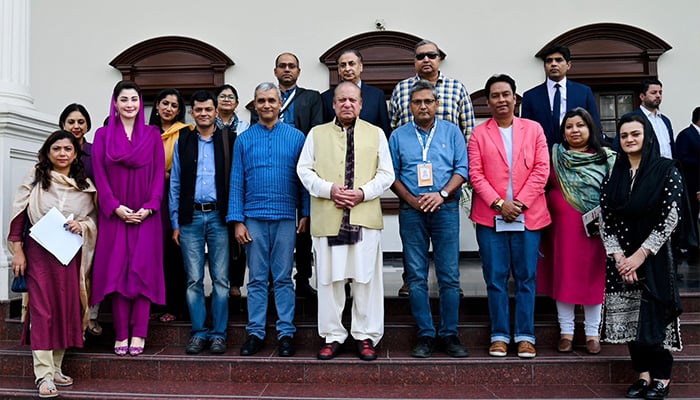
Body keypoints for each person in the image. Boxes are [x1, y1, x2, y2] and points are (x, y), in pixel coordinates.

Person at [297, 81, 394, 361]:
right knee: (329, 281)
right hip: (329, 218)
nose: (347, 104)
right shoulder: (316, 134)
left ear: (361, 104)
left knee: (366, 281)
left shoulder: (376, 134)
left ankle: (365, 335)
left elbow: (387, 174)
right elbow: (304, 170)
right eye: (342, 100)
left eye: (353, 99)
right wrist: (330, 190)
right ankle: (333, 335)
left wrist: (363, 193)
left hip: (363, 218)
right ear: (334, 104)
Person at [600, 113, 687, 400]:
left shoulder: (666, 170)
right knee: (630, 322)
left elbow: (670, 217)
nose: (629, 140)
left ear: (647, 135)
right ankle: (643, 376)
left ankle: (661, 378)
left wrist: (639, 256)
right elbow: (605, 218)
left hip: (654, 257)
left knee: (653, 319)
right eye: (624, 135)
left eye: (635, 134)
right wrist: (619, 258)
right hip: (621, 260)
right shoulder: (615, 174)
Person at [8, 130, 97, 398]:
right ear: (48, 152)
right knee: (43, 310)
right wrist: (18, 251)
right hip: (38, 254)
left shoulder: (85, 185)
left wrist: (81, 225)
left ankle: (56, 367)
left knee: (66, 308)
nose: (62, 154)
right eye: (56, 148)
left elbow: (93, 220)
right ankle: (43, 375)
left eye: (67, 149)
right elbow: (19, 217)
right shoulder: (35, 179)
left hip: (69, 255)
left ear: (75, 154)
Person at [468, 74, 550, 359]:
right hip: (491, 217)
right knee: (496, 277)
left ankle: (526, 335)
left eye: (506, 94)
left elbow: (542, 169)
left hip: (529, 216)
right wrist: (500, 203)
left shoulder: (534, 129)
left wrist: (521, 203)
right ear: (488, 101)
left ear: (515, 98)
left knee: (527, 277)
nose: (501, 100)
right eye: (495, 95)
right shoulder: (479, 134)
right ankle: (500, 334)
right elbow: (475, 174)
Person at [227, 82, 309, 357]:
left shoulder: (297, 137)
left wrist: (305, 213)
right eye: (261, 100)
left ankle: (286, 333)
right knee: (258, 279)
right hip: (254, 219)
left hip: (286, 217)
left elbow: (304, 179)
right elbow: (237, 181)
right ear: (255, 104)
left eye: (272, 100)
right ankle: (256, 332)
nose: (266, 105)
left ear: (279, 103)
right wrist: (238, 220)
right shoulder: (244, 139)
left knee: (284, 278)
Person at [389, 80, 469, 358]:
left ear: (436, 104)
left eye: (428, 101)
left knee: (449, 275)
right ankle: (425, 333)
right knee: (416, 275)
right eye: (417, 102)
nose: (423, 106)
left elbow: (462, 169)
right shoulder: (398, 135)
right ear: (409, 106)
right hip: (411, 211)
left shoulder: (452, 131)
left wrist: (442, 194)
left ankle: (450, 334)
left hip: (444, 208)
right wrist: (411, 200)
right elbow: (392, 174)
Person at [389, 39, 475, 296]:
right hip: (411, 186)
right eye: (420, 56)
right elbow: (394, 129)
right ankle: (411, 282)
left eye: (431, 55)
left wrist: (454, 185)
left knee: (446, 247)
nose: (426, 59)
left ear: (439, 59)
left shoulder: (457, 88)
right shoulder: (402, 89)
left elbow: (468, 133)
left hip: (445, 185)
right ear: (414, 61)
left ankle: (449, 285)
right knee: (413, 252)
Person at [91, 80, 166, 357]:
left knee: (143, 273)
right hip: (115, 216)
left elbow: (159, 174)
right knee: (118, 274)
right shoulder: (102, 136)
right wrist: (114, 207)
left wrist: (149, 207)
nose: (130, 105)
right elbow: (99, 174)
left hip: (146, 215)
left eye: (134, 99)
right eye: (124, 100)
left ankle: (139, 333)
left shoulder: (152, 134)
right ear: (115, 103)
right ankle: (121, 333)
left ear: (140, 102)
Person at [536, 108, 616, 354]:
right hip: (561, 229)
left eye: (580, 125)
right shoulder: (554, 156)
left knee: (594, 278)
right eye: (569, 126)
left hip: (595, 229)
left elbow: (617, 192)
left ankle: (593, 334)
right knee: (565, 277)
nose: (575, 130)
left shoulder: (606, 158)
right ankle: (566, 333)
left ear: (590, 128)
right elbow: (541, 185)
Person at [251, 52, 323, 298]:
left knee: (303, 227)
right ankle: (272, 279)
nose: (287, 70)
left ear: (299, 71)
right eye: (282, 66)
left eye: (292, 66)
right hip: (272, 168)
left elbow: (317, 131)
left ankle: (302, 278)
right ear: (275, 71)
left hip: (302, 164)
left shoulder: (311, 98)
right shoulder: (264, 97)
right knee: (272, 231)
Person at [170, 90, 232, 355]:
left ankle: (218, 334)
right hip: (190, 217)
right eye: (199, 110)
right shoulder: (182, 140)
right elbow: (175, 182)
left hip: (219, 216)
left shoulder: (229, 139)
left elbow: (237, 179)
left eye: (209, 109)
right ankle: (199, 332)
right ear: (192, 113)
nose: (204, 113)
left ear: (216, 111)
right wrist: (175, 221)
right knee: (194, 279)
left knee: (221, 279)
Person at [147, 89, 191, 323]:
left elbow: (188, 168)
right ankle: (154, 302)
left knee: (174, 252)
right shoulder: (144, 133)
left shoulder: (185, 133)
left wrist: (168, 175)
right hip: (147, 198)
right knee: (152, 252)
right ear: (156, 105)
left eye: (174, 105)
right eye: (165, 103)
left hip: (174, 197)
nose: (169, 108)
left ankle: (174, 305)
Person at [59, 103, 102, 337]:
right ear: (63, 124)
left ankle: (90, 318)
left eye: (81, 122)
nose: (76, 126)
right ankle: (69, 324)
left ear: (87, 125)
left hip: (90, 218)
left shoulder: (95, 152)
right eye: (71, 122)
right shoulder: (55, 148)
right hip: (61, 222)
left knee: (89, 269)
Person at [521, 45, 602, 149]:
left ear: (568, 65)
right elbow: (527, 132)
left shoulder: (583, 92)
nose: (553, 64)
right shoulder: (530, 96)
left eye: (558, 60)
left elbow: (595, 126)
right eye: (549, 61)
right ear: (544, 66)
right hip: (543, 155)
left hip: (577, 156)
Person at [214, 83, 250, 299]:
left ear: (237, 103)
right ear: (216, 103)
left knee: (239, 239)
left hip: (239, 187)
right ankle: (222, 281)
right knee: (220, 239)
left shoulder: (245, 127)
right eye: (222, 96)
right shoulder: (209, 126)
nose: (227, 99)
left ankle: (236, 283)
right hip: (216, 190)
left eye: (231, 96)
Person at [321, 49, 391, 135]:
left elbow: (385, 130)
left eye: (351, 64)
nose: (347, 69)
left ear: (361, 67)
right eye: (343, 65)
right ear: (339, 70)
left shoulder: (376, 95)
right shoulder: (326, 97)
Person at [614, 79, 675, 160]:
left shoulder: (665, 120)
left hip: (668, 168)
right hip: (646, 169)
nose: (658, 96)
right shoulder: (631, 119)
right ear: (642, 96)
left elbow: (671, 147)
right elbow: (619, 147)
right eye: (653, 93)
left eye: (660, 92)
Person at [673, 106, 700, 257]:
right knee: (692, 215)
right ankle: (692, 247)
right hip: (691, 183)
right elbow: (682, 158)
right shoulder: (686, 135)